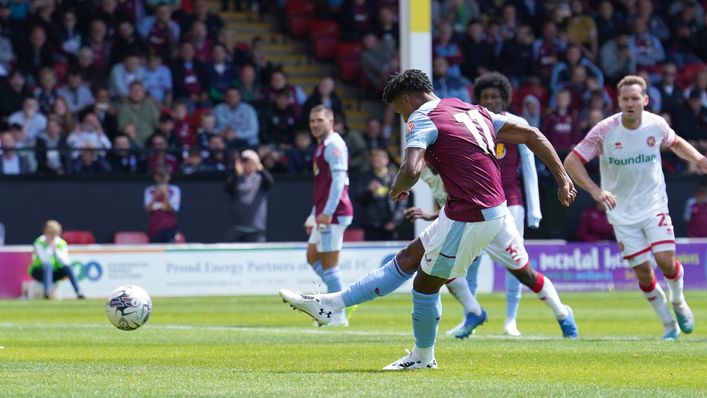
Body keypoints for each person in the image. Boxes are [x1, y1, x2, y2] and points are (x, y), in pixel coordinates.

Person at [280, 70, 578, 370]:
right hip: (471, 209)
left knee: (424, 285)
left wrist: (397, 188)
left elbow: (411, 169)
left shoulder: (421, 119)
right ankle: (330, 305)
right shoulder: (471, 109)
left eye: (399, 110)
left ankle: (423, 357)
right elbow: (532, 134)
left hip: (472, 214)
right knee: (408, 258)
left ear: (407, 99)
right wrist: (562, 179)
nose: (401, 118)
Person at [564, 75, 706, 340]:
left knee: (666, 261)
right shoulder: (604, 130)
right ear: (618, 101)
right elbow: (572, 161)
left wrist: (698, 158)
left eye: (635, 98)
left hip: (654, 205)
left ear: (645, 100)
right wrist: (595, 190)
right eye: (625, 99)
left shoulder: (656, 124)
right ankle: (668, 325)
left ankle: (678, 301)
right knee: (643, 272)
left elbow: (675, 143)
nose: (630, 103)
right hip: (621, 213)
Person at [408, 72, 543, 337]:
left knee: (517, 262)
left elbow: (529, 168)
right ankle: (471, 313)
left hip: (511, 201)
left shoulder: (516, 123)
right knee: (469, 262)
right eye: (485, 97)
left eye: (495, 96)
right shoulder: (473, 121)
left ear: (504, 98)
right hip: (477, 202)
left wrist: (534, 211)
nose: (490, 101)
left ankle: (510, 320)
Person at [301, 105, 354, 327]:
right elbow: (323, 185)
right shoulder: (323, 146)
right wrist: (314, 214)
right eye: (312, 121)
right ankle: (342, 297)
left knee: (330, 266)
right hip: (324, 212)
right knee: (312, 257)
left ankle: (338, 313)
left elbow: (339, 182)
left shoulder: (334, 145)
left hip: (335, 213)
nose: (314, 124)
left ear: (331, 121)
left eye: (319, 120)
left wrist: (327, 213)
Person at [223, 150, 274, 242]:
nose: (248, 165)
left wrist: (260, 168)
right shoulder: (235, 179)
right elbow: (227, 188)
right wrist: (236, 174)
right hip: (237, 227)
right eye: (245, 162)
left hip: (256, 227)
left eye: (252, 162)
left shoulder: (262, 179)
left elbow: (270, 182)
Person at [28, 220, 84, 299]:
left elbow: (65, 261)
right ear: (45, 232)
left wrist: (55, 250)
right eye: (50, 232)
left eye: (55, 232)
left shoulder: (61, 243)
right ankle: (47, 293)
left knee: (68, 267)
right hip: (39, 272)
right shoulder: (39, 242)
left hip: (55, 273)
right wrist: (49, 246)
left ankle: (79, 292)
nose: (53, 235)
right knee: (48, 266)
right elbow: (45, 259)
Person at [144, 167, 181, 243]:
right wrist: (155, 196)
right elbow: (148, 209)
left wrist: (165, 195)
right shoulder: (149, 190)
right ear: (155, 177)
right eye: (159, 176)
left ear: (168, 176)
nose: (162, 178)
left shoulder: (174, 190)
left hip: (169, 227)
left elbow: (172, 208)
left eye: (164, 176)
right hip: (154, 226)